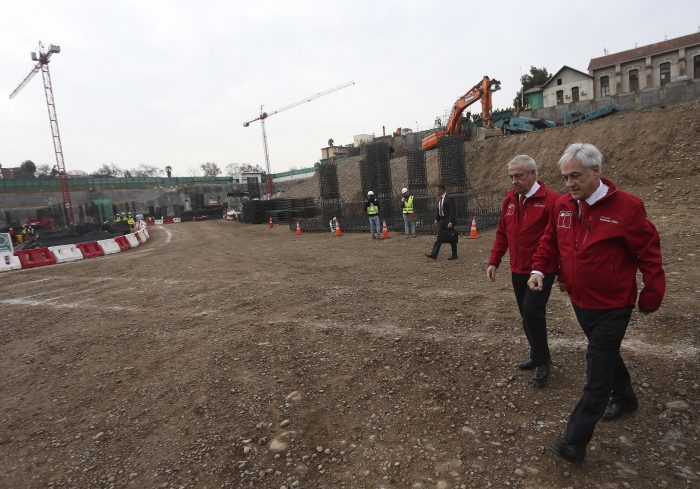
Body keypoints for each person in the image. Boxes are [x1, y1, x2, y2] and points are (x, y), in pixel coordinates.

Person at [527, 143, 665, 464]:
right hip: (580, 300)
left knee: (597, 367)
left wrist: (653, 288)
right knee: (604, 352)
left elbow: (649, 250)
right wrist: (538, 269)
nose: (569, 183)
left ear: (596, 171)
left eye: (575, 175)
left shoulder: (627, 208)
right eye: (564, 177)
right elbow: (549, 241)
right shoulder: (563, 205)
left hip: (615, 304)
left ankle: (575, 440)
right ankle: (627, 398)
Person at [487, 155, 560, 386]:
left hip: (542, 270)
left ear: (533, 174)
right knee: (526, 316)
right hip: (518, 269)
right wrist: (494, 260)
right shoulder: (510, 200)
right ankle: (537, 354)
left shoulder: (552, 200)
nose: (514, 181)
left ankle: (543, 362)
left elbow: (558, 239)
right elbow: (502, 234)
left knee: (532, 313)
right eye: (511, 177)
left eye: (518, 176)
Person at [425, 184, 457, 260]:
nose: (436, 191)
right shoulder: (439, 198)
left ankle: (454, 255)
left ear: (441, 190)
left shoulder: (449, 198)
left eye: (437, 190)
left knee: (452, 238)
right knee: (439, 237)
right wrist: (436, 218)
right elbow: (439, 209)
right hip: (442, 221)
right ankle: (434, 254)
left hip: (448, 221)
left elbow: (452, 211)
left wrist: (451, 222)